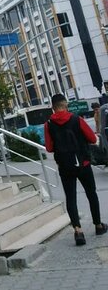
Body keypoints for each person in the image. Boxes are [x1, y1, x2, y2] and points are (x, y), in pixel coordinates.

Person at [44, 93, 106, 246]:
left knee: (71, 198)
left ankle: (78, 231)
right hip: (83, 163)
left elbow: (49, 148)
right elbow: (92, 138)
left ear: (53, 107)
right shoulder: (77, 119)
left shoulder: (48, 124)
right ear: (65, 104)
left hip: (65, 166)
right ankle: (98, 225)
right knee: (91, 194)